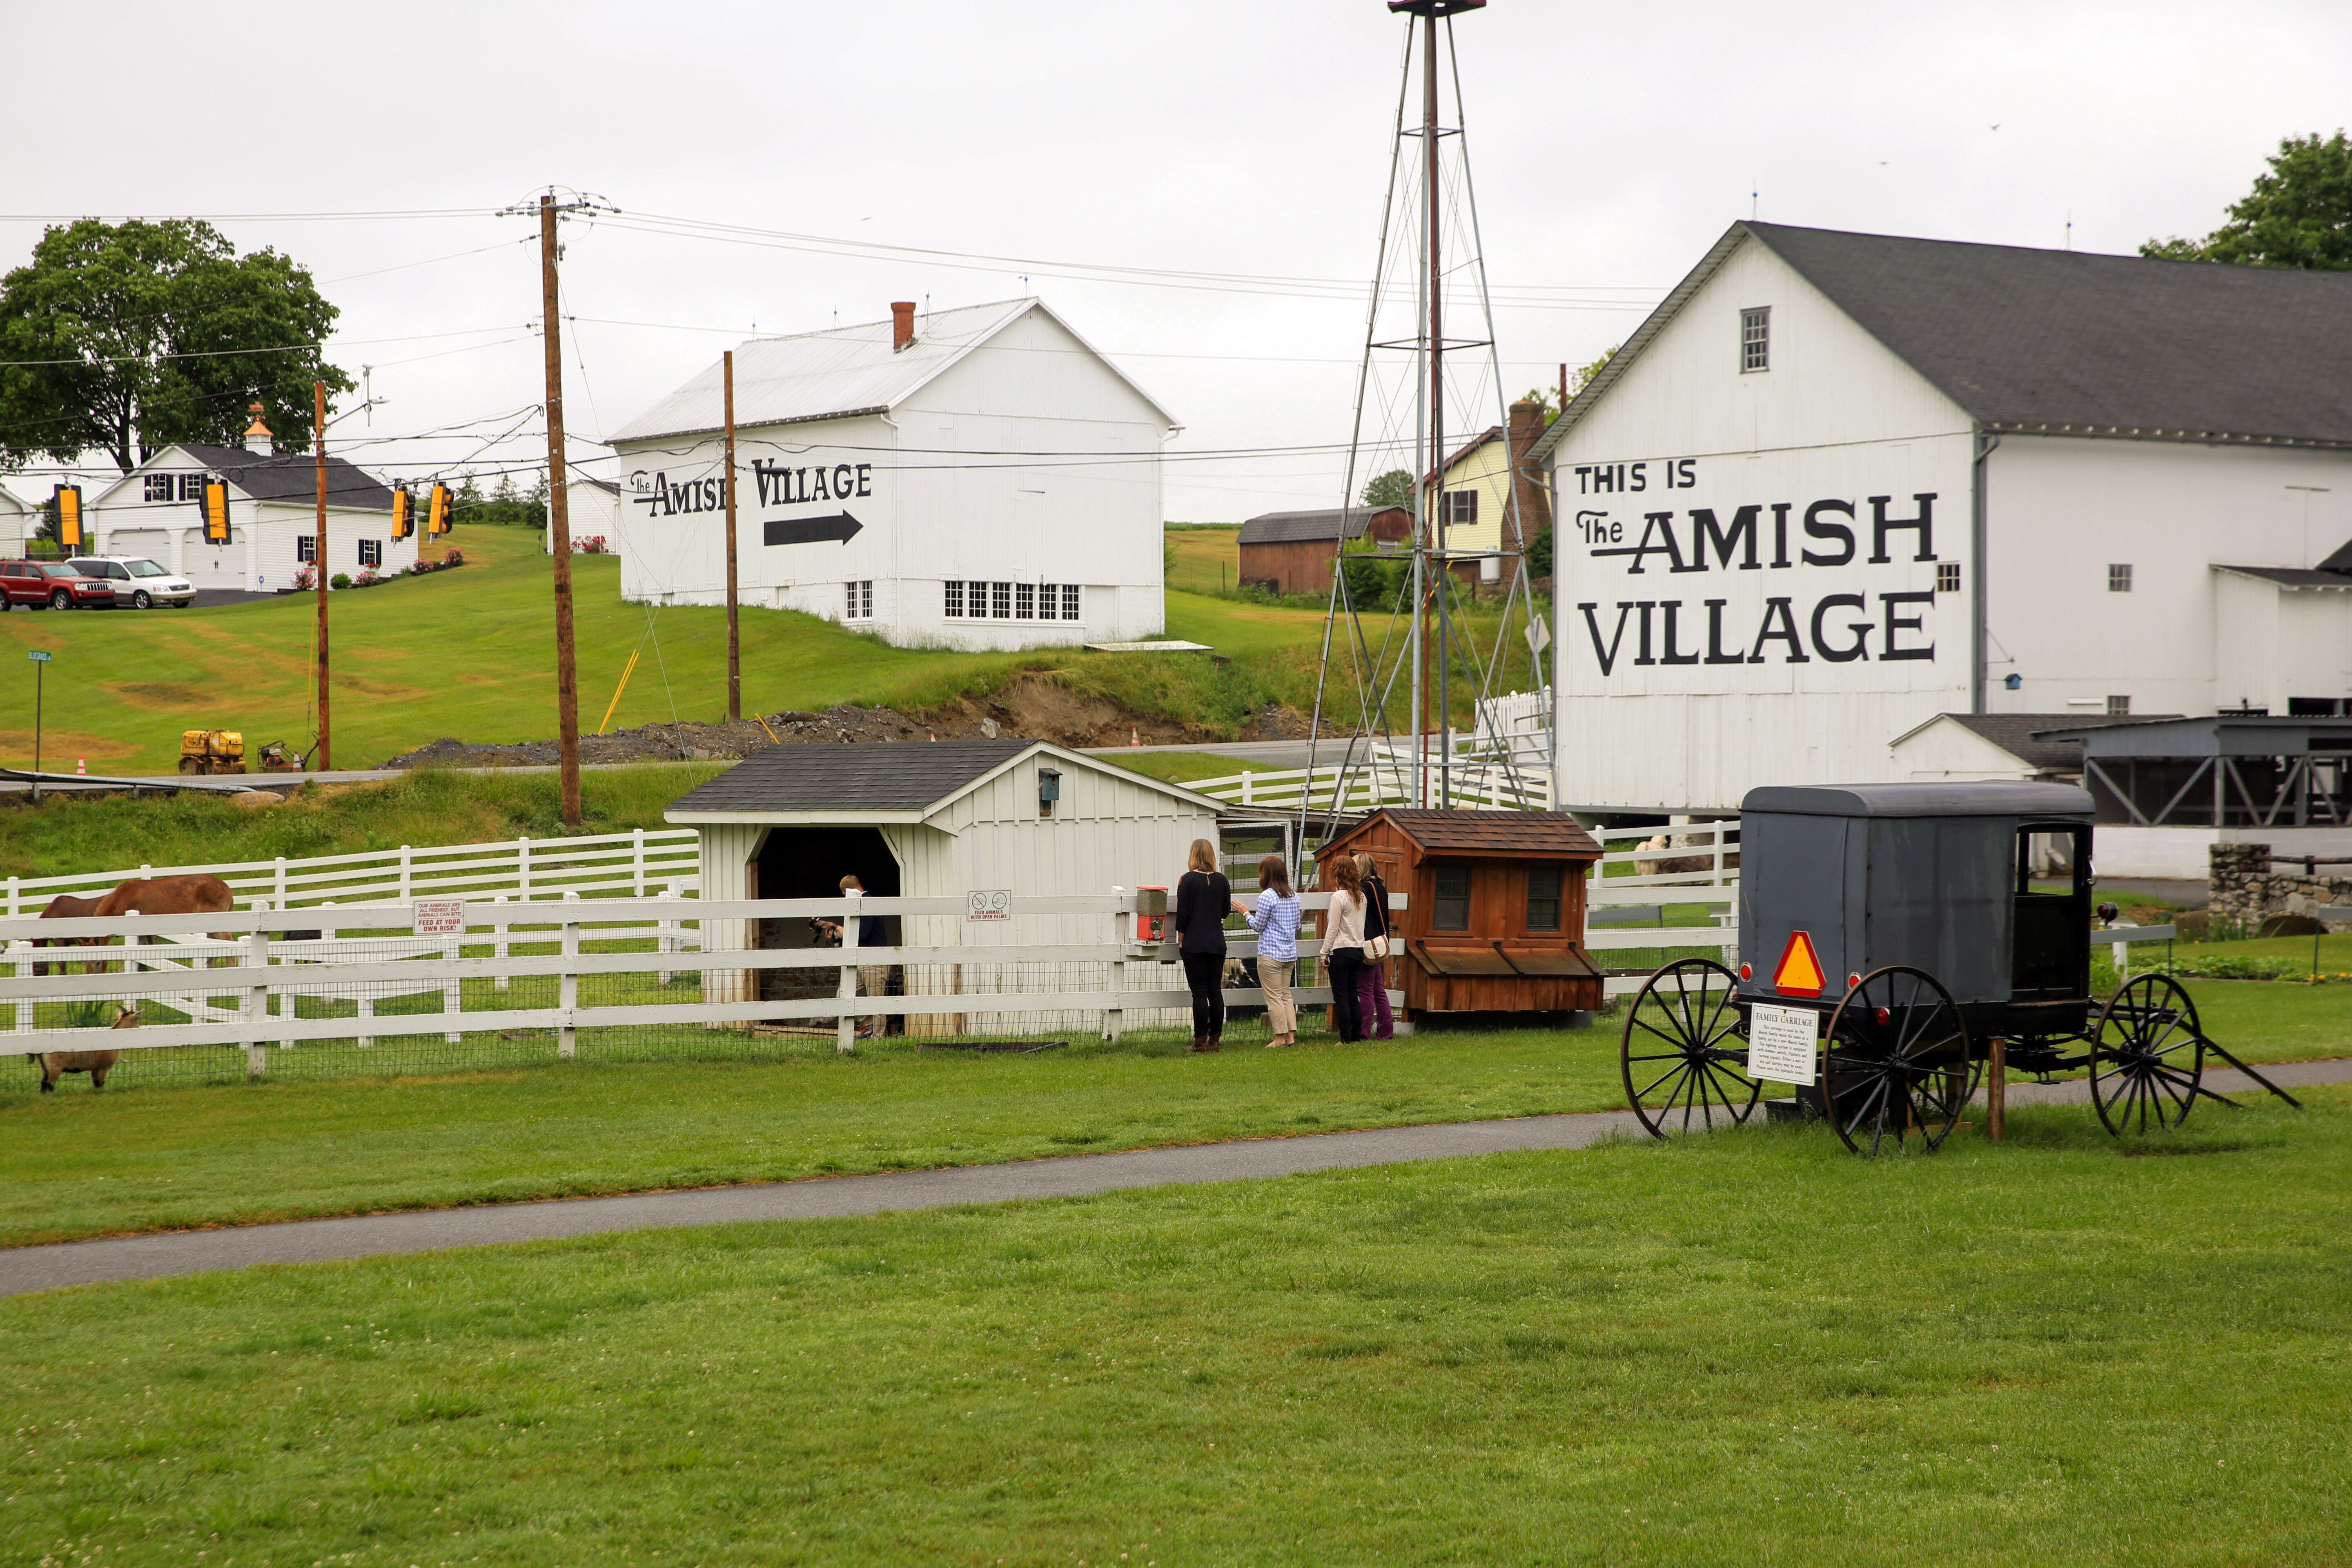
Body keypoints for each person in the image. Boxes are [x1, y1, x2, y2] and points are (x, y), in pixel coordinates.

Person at [1172, 838, 1232, 1051]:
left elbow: (1184, 915)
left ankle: (1200, 1042)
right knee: (1215, 992)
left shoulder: (1186, 880)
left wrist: (1181, 940)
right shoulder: (1222, 881)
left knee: (1199, 994)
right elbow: (1225, 911)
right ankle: (1215, 1041)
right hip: (1217, 943)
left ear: (1193, 855)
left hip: (1194, 943)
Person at [1243, 853, 1303, 1047]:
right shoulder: (1294, 897)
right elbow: (1297, 926)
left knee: (1274, 997)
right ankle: (1291, 1038)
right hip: (1289, 954)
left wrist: (1245, 914)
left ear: (1266, 875)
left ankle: (1279, 1038)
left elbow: (1258, 926)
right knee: (1286, 994)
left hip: (1271, 955)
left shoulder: (1267, 896)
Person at [1321, 853, 1368, 1044]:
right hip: (1358, 950)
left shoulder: (1338, 897)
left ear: (1336, 874)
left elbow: (1333, 928)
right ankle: (1356, 1037)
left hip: (1341, 951)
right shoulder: (1361, 897)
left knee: (1341, 996)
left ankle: (1345, 1039)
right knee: (1352, 995)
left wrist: (1324, 952)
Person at [840, 873, 889, 1038]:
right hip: (862, 959)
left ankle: (878, 1040)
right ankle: (868, 1026)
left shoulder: (867, 902)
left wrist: (841, 932)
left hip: (875, 960)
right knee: (844, 994)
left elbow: (863, 934)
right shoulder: (864, 902)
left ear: (848, 892)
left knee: (876, 1002)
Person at [1354, 852, 1395, 1040]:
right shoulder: (1380, 886)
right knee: (1379, 990)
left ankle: (1363, 1033)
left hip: (1367, 943)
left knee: (1365, 989)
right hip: (1379, 941)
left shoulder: (1363, 889)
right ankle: (1386, 1031)